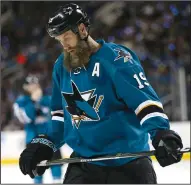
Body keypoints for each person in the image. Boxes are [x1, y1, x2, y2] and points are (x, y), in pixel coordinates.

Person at [19, 3, 183, 184]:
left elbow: (144, 102)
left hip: (129, 162)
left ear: (82, 30)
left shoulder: (117, 58)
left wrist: (160, 133)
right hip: (83, 164)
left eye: (67, 37)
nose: (64, 45)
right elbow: (60, 117)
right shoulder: (61, 66)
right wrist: (45, 143)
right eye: (59, 40)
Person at [13, 74, 62, 184]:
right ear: (25, 87)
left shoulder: (48, 98)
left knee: (56, 166)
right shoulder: (21, 101)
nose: (34, 86)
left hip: (51, 138)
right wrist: (33, 101)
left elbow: (57, 115)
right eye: (30, 84)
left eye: (35, 83)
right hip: (33, 139)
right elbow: (27, 118)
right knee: (36, 170)